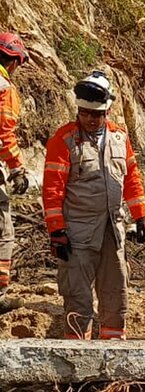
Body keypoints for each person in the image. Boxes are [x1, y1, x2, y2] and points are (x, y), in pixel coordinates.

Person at [43, 71, 145, 339]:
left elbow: (132, 180)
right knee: (77, 298)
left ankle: (114, 353)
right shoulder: (64, 139)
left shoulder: (119, 138)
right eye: (84, 113)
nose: (90, 119)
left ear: (108, 110)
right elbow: (52, 189)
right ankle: (78, 360)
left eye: (96, 114)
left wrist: (141, 216)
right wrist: (56, 231)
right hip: (77, 233)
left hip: (113, 231)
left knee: (116, 296)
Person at [0, 32, 30, 312]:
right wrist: (17, 168)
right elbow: (5, 132)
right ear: (12, 62)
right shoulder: (4, 88)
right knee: (4, 231)